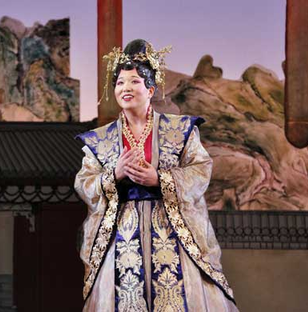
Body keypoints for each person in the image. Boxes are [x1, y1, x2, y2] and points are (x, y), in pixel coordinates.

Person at [75, 39, 238, 312]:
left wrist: (160, 179)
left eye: (134, 82)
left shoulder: (181, 129)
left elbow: (201, 170)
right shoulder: (99, 140)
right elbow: (83, 182)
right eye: (120, 83)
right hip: (122, 233)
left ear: (150, 89)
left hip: (171, 228)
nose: (126, 88)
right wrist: (113, 175)